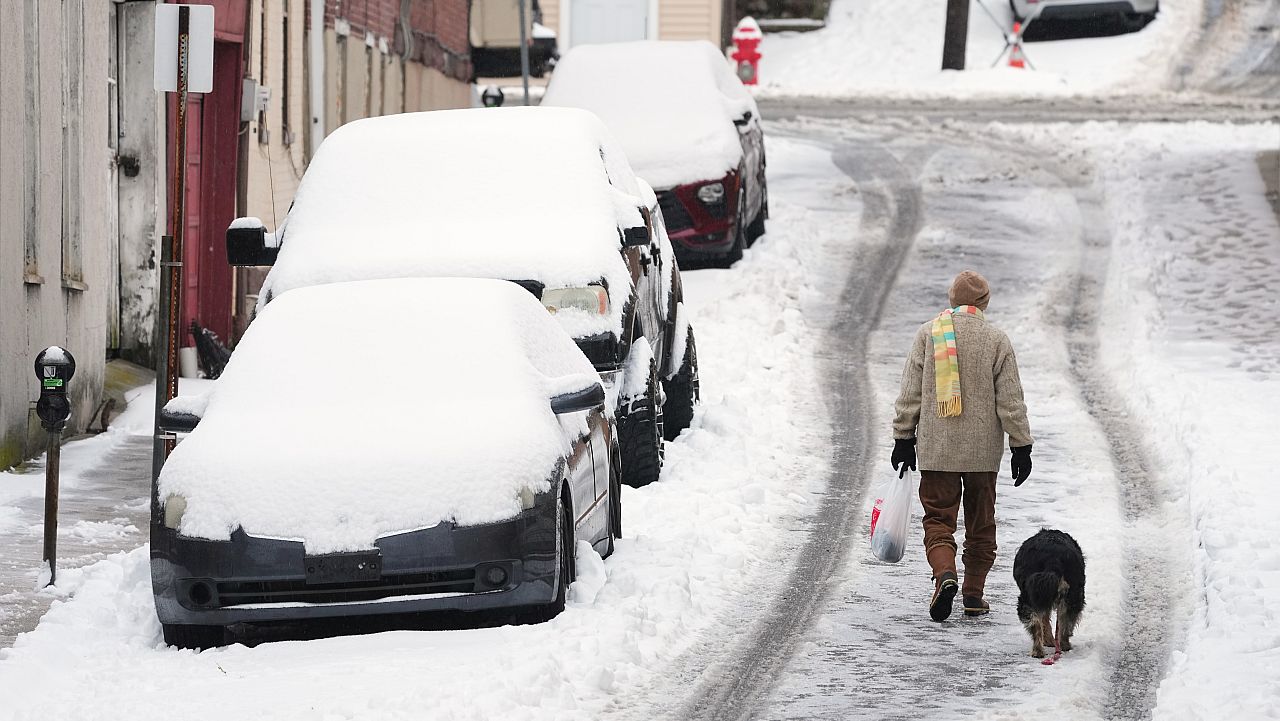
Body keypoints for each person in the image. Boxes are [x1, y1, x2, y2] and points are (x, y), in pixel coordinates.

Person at [891, 270, 1033, 622]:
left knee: (938, 520)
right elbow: (1011, 400)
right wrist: (1021, 445)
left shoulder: (929, 334)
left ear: (951, 299)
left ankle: (944, 575)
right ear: (984, 302)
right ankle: (973, 595)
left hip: (938, 450)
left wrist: (903, 438)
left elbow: (910, 393)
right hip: (982, 454)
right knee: (981, 525)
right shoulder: (996, 339)